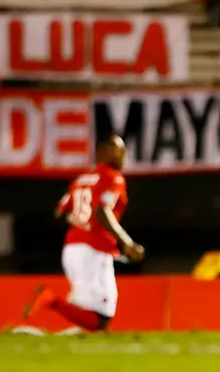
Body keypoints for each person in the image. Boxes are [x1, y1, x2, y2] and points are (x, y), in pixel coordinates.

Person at [23, 136, 144, 332]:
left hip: (73, 249)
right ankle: (50, 299)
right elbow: (101, 210)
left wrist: (79, 221)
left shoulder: (81, 179)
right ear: (103, 152)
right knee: (101, 319)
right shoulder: (113, 177)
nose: (123, 156)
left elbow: (60, 212)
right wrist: (127, 242)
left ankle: (52, 312)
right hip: (93, 250)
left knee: (92, 317)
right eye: (118, 150)